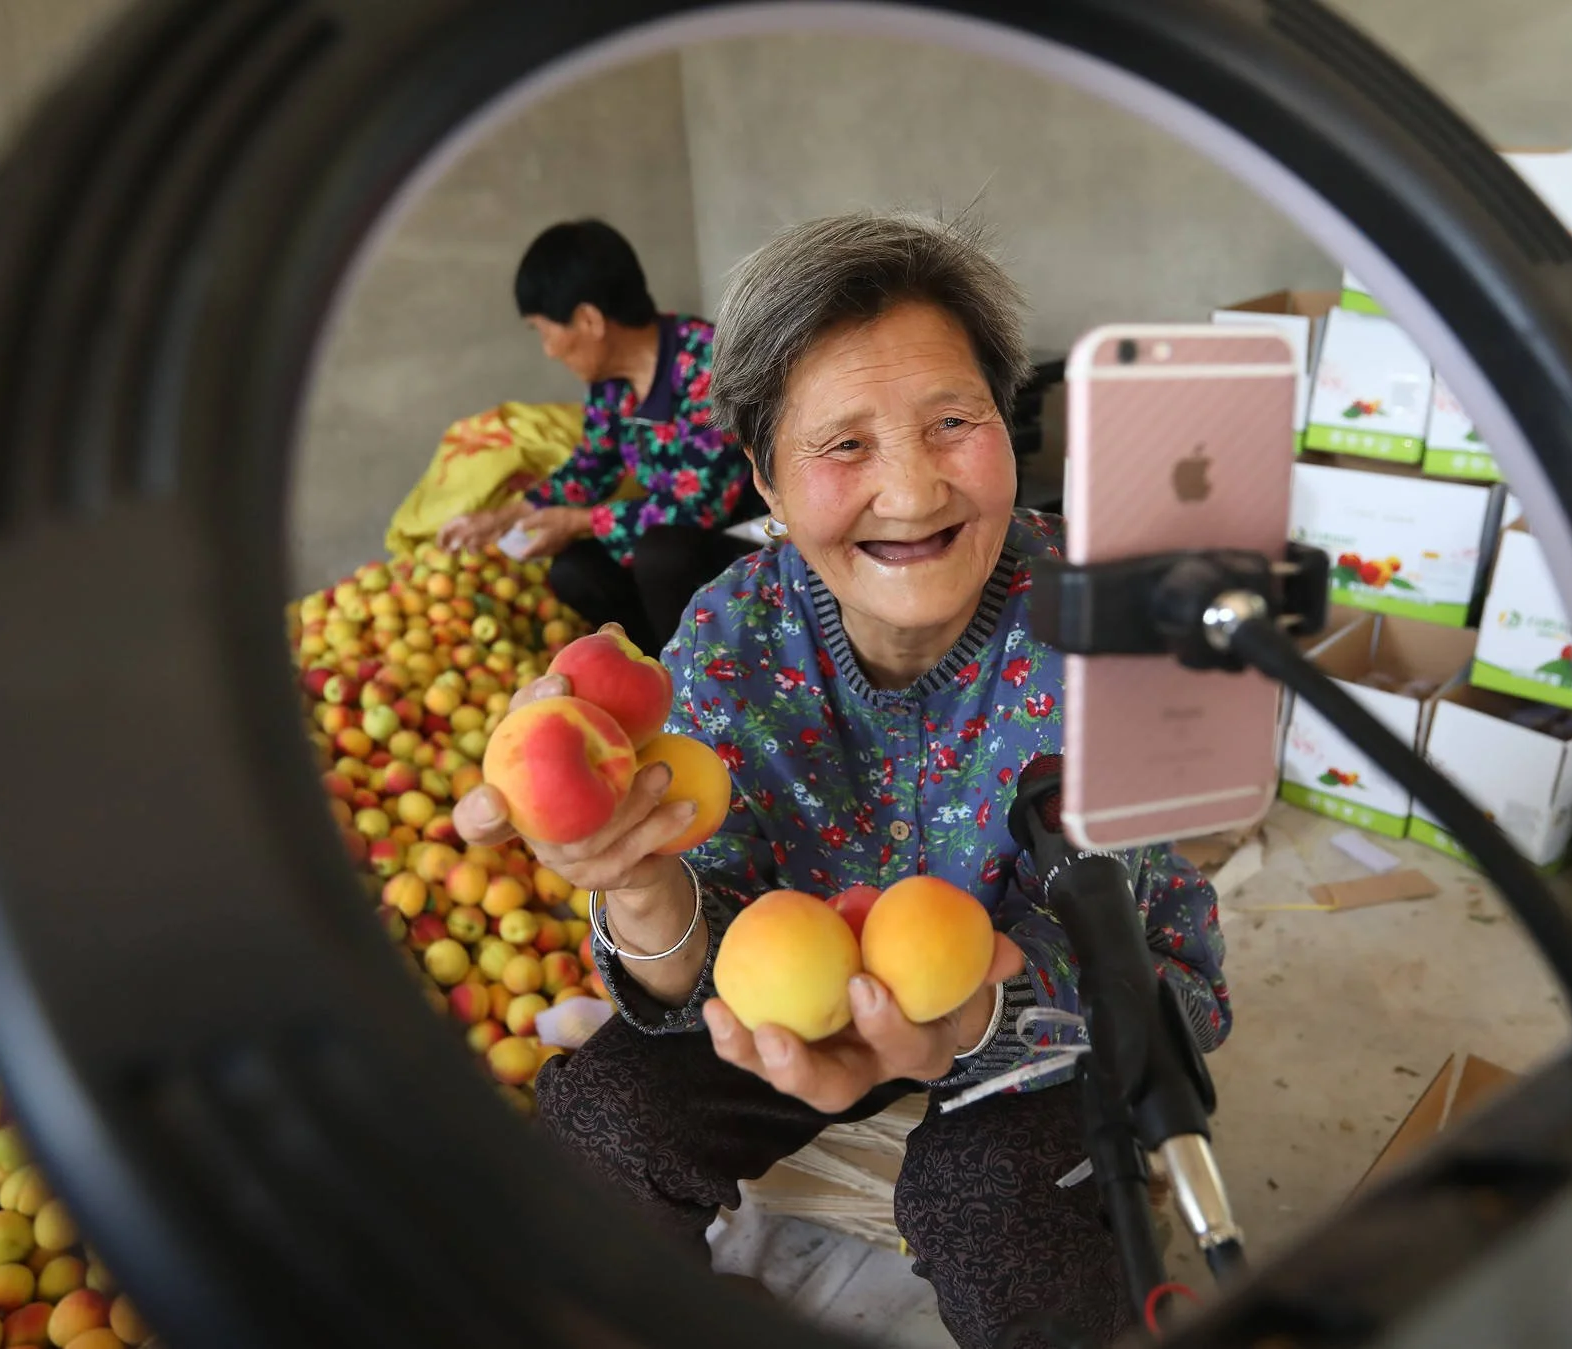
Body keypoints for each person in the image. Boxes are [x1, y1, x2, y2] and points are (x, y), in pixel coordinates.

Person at [453, 213, 1229, 1348]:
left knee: (988, 1206)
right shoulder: (728, 636)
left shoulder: (1102, 621)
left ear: (1007, 430)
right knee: (596, 1119)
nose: (911, 493)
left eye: (950, 422)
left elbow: (1146, 959)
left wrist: (976, 1019)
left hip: (1044, 1020)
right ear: (764, 477)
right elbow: (698, 958)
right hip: (793, 996)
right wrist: (642, 889)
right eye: (844, 445)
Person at [438, 220, 754, 655]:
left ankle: (695, 685)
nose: (549, 350)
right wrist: (504, 517)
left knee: (661, 555)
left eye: (546, 332)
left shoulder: (705, 364)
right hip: (667, 543)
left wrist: (579, 521)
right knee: (574, 567)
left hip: (742, 535)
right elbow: (591, 466)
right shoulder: (611, 384)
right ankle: (651, 663)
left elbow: (699, 507)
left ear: (589, 320)